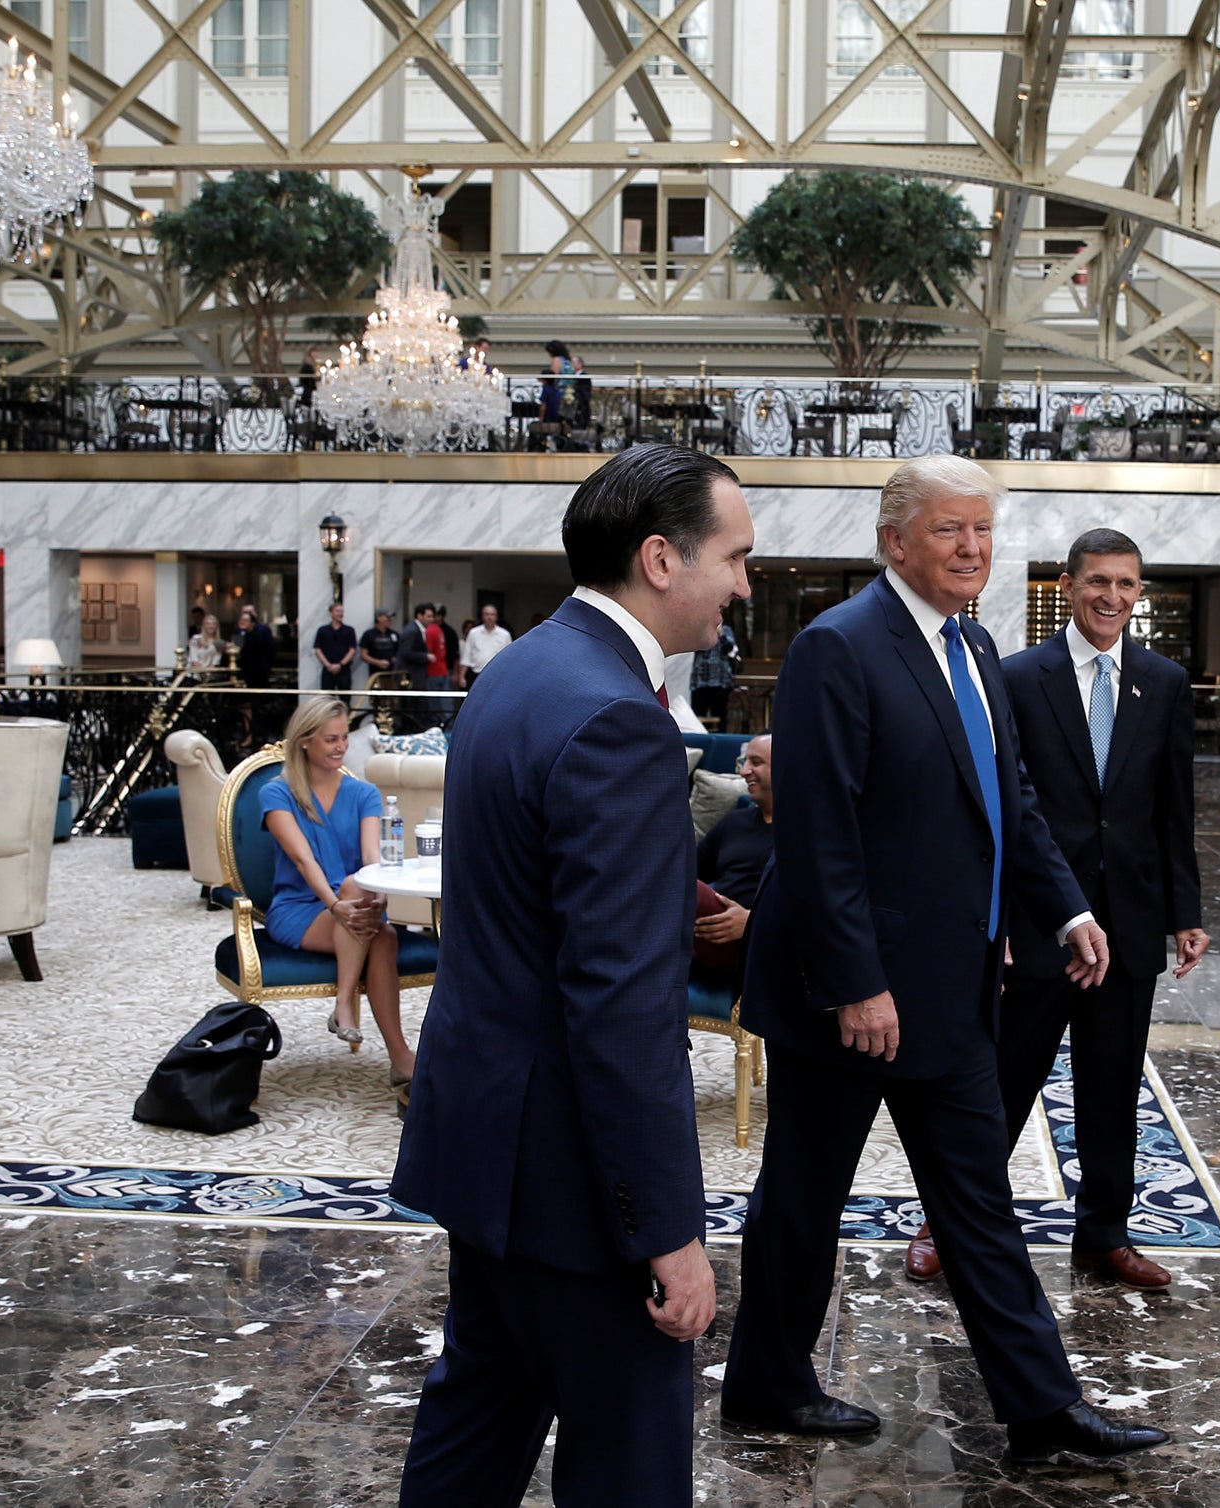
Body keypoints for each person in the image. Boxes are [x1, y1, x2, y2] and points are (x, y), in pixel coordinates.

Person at [721, 455, 1170, 1465]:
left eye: (981, 530)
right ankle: (765, 1381)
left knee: (979, 1204)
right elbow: (821, 832)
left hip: (954, 989)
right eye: (947, 531)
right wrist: (855, 981)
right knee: (802, 1199)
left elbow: (1009, 799)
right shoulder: (836, 648)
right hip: (850, 996)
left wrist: (1065, 911)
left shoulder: (971, 644)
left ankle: (1042, 1407)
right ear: (893, 541)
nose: (971, 549)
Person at [392, 444, 753, 1505]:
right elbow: (620, 1007)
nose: (742, 582)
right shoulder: (620, 722)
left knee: (471, 1440)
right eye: (733, 556)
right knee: (628, 1473)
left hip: (488, 1152)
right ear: (658, 558)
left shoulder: (519, 670)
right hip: (574, 1192)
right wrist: (666, 1232)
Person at [905, 529, 1208, 1292]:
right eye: (1098, 582)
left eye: (1127, 586)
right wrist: (1000, 918)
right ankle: (947, 1220)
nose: (1112, 597)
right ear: (1066, 587)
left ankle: (1103, 1236)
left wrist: (1185, 911)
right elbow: (1001, 809)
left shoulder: (1164, 681)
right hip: (1042, 923)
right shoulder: (1014, 676)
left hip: (1129, 924)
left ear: (1140, 594)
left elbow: (1175, 808)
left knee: (1113, 1088)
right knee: (1003, 1084)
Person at [259, 696, 412, 1087]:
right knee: (377, 925)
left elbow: (371, 856)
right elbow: (302, 860)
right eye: (330, 739)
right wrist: (335, 904)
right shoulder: (276, 794)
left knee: (372, 913)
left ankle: (361, 1023)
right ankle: (392, 1048)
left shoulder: (363, 794)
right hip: (300, 908)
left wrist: (380, 896)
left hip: (355, 901)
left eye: (344, 737)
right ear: (305, 741)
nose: (341, 746)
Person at [693, 733, 773, 987]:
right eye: (743, 762)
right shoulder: (735, 821)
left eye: (756, 762)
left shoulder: (807, 829)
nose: (744, 772)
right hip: (707, 933)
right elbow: (689, 871)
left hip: (764, 942)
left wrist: (753, 922)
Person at [235, 604, 278, 747]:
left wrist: (266, 669)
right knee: (244, 706)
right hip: (243, 674)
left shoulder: (262, 631)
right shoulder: (239, 633)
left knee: (259, 706)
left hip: (259, 674)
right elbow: (236, 651)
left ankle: (261, 736)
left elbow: (269, 652)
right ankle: (247, 734)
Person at [690, 618, 740, 726]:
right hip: (701, 680)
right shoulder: (699, 631)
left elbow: (731, 650)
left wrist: (721, 634)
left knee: (720, 715)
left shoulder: (726, 631)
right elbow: (694, 648)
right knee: (698, 716)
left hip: (720, 681)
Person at [461, 603, 512, 685]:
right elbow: (466, 656)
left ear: (496, 617)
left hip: (497, 675)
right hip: (476, 674)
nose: (489, 617)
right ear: (482, 616)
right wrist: (461, 677)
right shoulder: (473, 633)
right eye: (487, 614)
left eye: (492, 614)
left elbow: (509, 658)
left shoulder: (505, 635)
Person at [312, 601, 357, 693]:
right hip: (327, 669)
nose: (340, 614)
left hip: (344, 669)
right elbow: (318, 649)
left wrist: (340, 664)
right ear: (330, 613)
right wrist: (328, 665)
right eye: (337, 611)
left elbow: (352, 650)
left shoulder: (349, 630)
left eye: (341, 611)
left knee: (345, 697)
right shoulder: (322, 630)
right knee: (326, 697)